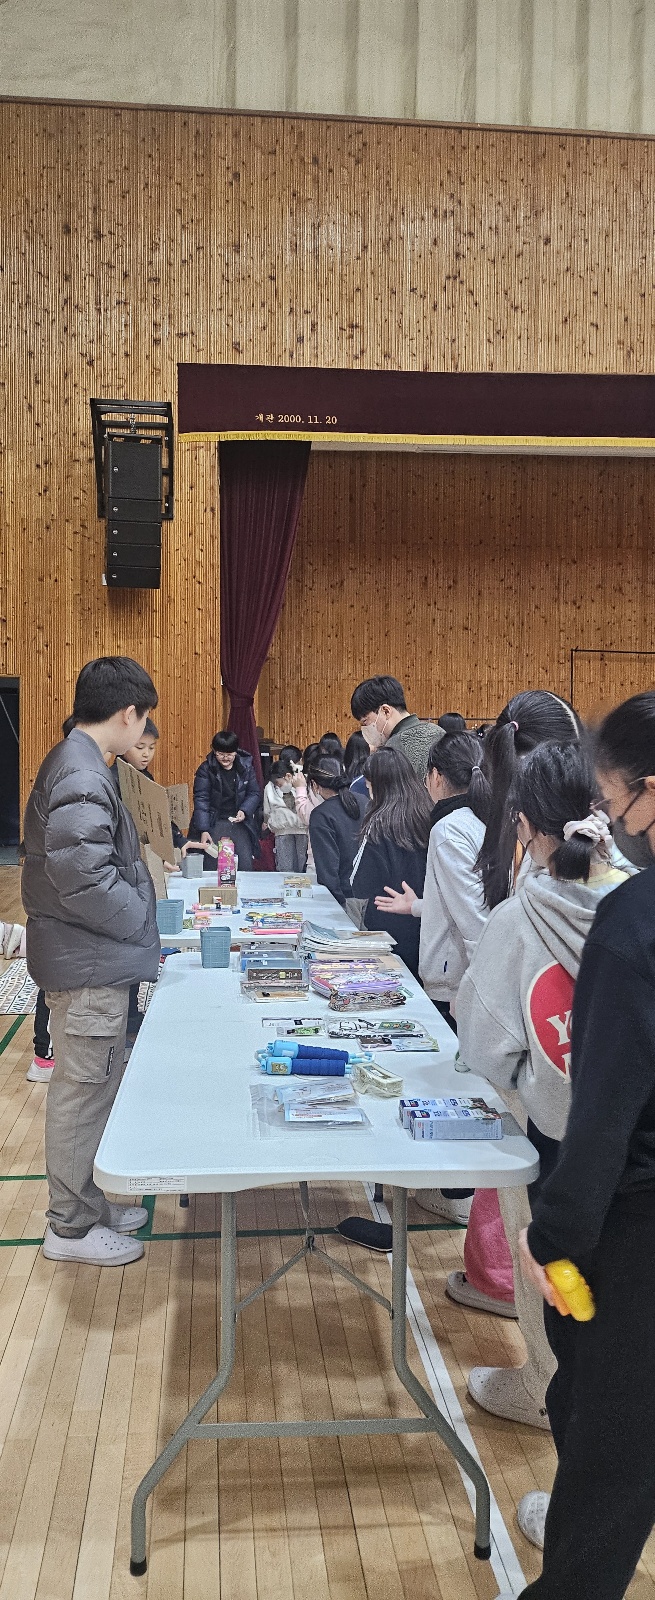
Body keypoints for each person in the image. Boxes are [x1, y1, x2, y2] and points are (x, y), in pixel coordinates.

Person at [492, 692, 655, 1600]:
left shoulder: (635, 923)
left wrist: (551, 1233)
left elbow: (604, 1111)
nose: (612, 821)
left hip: (636, 1233)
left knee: (607, 1448)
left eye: (616, 799)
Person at [458, 741, 627, 1455]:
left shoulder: (519, 919)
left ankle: (545, 1397)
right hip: (639, 1135)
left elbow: (485, 1050)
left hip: (559, 1141)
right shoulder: (637, 898)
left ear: (523, 826)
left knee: (561, 1292)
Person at [21, 656, 161, 1267]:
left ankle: (87, 1202)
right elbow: (84, 879)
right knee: (80, 1095)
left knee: (95, 1087)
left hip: (88, 956)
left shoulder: (80, 762)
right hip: (87, 962)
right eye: (145, 718)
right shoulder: (81, 771)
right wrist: (141, 920)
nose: (145, 730)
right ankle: (70, 1228)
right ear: (128, 713)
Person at [373, 732, 491, 1226]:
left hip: (462, 978)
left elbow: (474, 918)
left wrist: (479, 988)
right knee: (463, 1084)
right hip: (470, 971)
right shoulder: (485, 817)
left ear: (437, 776)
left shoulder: (450, 827)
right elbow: (462, 902)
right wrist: (419, 906)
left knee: (457, 1088)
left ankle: (459, 1195)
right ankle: (462, 1192)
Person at [351, 747, 432, 976]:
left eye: (369, 786)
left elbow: (359, 884)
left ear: (378, 785)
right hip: (424, 920)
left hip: (386, 923)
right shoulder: (429, 812)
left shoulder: (378, 823)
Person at [189, 730, 261, 870]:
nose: (225, 758)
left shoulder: (246, 767)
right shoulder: (205, 769)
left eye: (229, 754)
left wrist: (245, 810)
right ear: (214, 751)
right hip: (214, 821)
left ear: (236, 751)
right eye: (221, 754)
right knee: (213, 864)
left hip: (239, 822)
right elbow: (201, 800)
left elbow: (254, 793)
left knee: (244, 864)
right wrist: (204, 829)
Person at [350, 674, 444, 780]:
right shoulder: (439, 732)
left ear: (386, 711)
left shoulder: (391, 750)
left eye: (365, 722)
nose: (365, 728)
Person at [307, 757, 368, 905]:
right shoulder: (365, 801)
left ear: (314, 785)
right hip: (374, 894)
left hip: (345, 896)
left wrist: (337, 902)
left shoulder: (321, 815)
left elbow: (327, 868)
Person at [262, 759, 308, 872]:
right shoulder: (269, 787)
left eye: (279, 784)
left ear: (288, 776)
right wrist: (267, 822)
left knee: (298, 866)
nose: (278, 787)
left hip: (301, 830)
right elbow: (266, 810)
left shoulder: (302, 781)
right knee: (289, 867)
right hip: (284, 831)